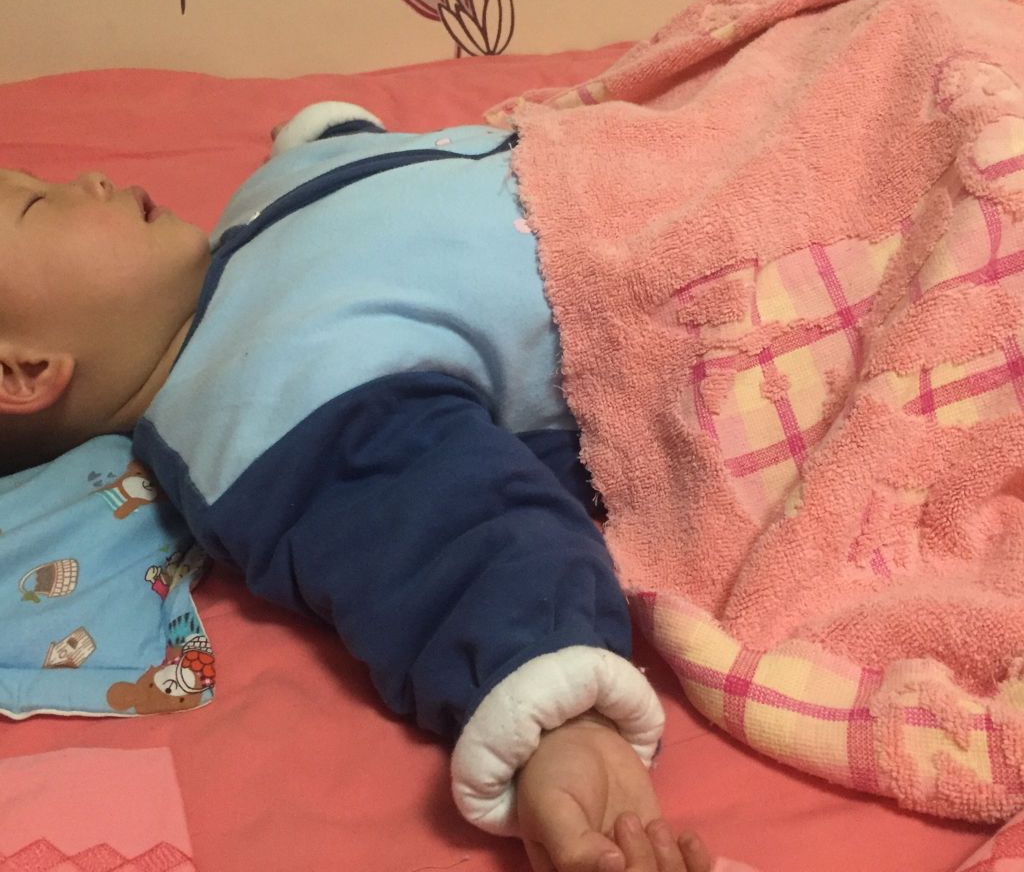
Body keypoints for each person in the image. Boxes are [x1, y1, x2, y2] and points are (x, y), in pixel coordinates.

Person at [0, 102, 712, 872]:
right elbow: (443, 525)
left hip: (644, 145)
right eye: (38, 204)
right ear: (24, 371)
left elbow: (347, 174)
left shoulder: (244, 222)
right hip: (686, 251)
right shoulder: (256, 410)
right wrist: (559, 719)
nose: (90, 180)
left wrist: (325, 139)